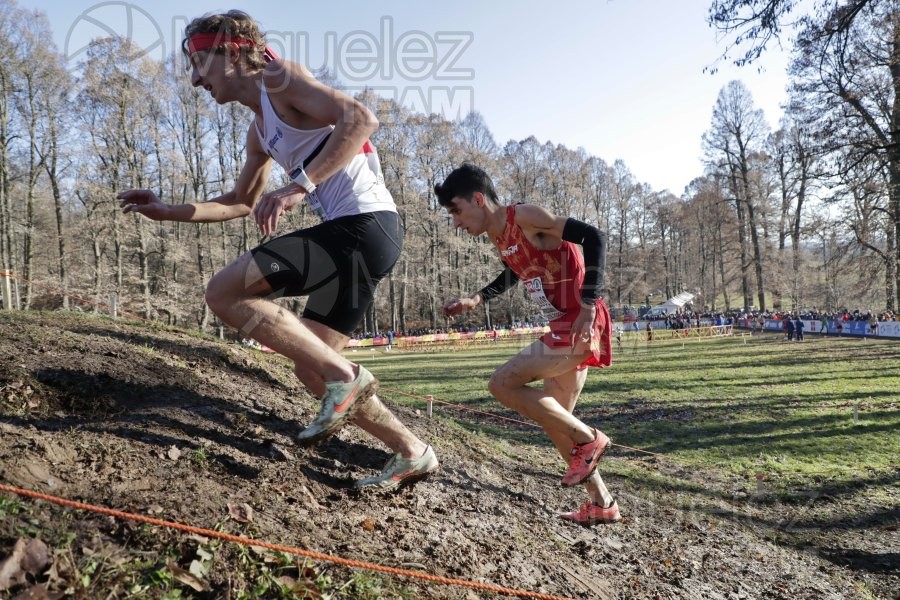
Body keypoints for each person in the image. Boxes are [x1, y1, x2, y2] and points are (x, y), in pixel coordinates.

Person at [117, 10, 437, 489]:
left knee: (225, 292)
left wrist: (299, 186)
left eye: (197, 62)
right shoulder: (258, 130)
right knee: (314, 370)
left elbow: (360, 118)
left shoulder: (280, 78)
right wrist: (167, 209)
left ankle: (346, 377)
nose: (193, 79)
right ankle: (411, 451)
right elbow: (238, 203)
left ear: (229, 51)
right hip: (361, 239)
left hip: (365, 226)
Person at [436, 164, 619, 526]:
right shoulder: (498, 235)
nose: (455, 222)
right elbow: (516, 270)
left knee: (501, 384)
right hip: (565, 325)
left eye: (456, 210)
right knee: (555, 422)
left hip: (580, 323)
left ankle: (590, 437)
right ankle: (602, 503)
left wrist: (586, 305)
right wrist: (476, 299)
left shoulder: (526, 217)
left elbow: (594, 237)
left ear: (478, 199)